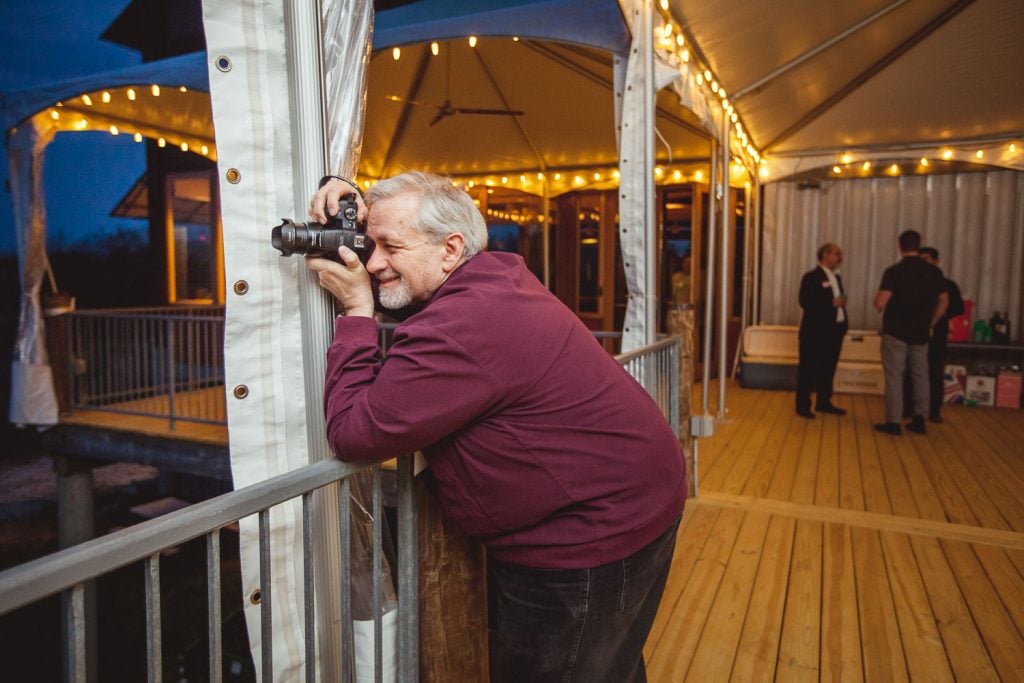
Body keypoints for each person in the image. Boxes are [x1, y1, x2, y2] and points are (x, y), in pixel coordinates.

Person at [306, 171, 687, 682]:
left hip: (588, 535)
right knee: (606, 664)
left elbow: (354, 434)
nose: (372, 263)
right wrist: (346, 188)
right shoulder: (492, 278)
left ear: (450, 248)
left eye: (389, 246)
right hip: (636, 498)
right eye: (368, 244)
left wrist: (356, 311)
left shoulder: (464, 324)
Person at [874, 230, 948, 435]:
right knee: (920, 375)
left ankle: (893, 422)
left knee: (895, 376)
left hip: (895, 331)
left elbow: (880, 301)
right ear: (918, 245)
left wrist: (879, 303)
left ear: (900, 246)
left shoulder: (894, 271)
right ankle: (920, 419)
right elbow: (944, 301)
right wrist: (931, 322)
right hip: (921, 332)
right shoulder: (933, 272)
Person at [901, 247, 964, 423]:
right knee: (910, 370)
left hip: (937, 333)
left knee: (935, 372)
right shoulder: (913, 282)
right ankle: (907, 407)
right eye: (921, 259)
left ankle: (934, 410)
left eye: (927, 259)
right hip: (914, 331)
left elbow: (958, 307)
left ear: (936, 261)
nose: (924, 262)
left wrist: (941, 314)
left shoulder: (947, 284)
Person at [795, 243, 849, 418]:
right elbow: (805, 301)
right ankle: (803, 405)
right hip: (815, 332)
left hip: (834, 330)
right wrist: (830, 303)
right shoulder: (812, 277)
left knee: (828, 367)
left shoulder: (836, 278)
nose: (839, 257)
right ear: (825, 255)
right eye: (836, 254)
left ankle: (824, 401)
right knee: (808, 368)